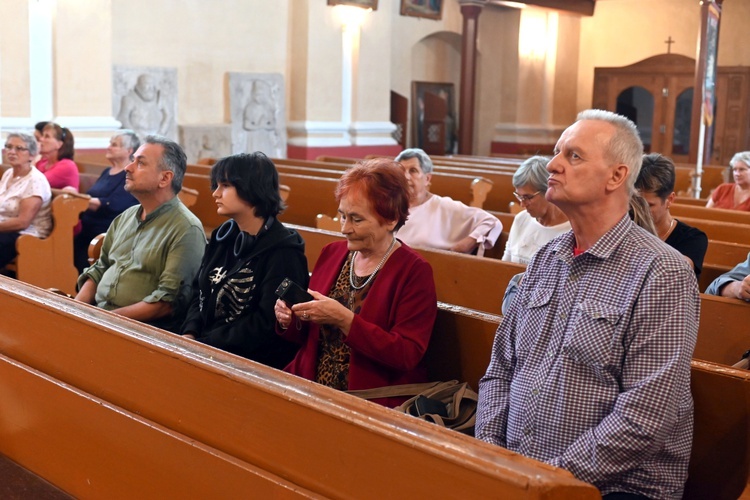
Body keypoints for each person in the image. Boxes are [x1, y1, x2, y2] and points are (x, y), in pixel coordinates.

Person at [477, 109, 699, 499]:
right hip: (519, 474)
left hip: (617, 487)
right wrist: (490, 454)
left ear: (616, 176)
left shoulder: (662, 272)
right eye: (557, 152)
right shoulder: (547, 259)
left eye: (573, 156)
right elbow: (500, 369)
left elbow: (646, 415)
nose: (553, 165)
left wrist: (548, 479)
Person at [273, 158, 437, 407]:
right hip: (309, 383)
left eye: (356, 219)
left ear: (391, 219)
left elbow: (406, 354)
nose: (344, 229)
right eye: (342, 216)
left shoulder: (414, 271)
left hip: (369, 396)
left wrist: (345, 320)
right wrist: (291, 318)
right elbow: (307, 337)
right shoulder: (333, 253)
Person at [180, 153, 308, 368]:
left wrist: (205, 345)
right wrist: (190, 333)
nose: (215, 193)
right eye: (216, 185)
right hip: (206, 348)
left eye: (225, 185)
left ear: (252, 188)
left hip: (252, 362)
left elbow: (266, 324)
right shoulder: (224, 236)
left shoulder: (283, 252)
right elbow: (199, 291)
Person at [75, 136, 206, 332]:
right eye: (132, 160)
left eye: (140, 163)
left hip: (141, 332)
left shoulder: (186, 229)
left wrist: (102, 320)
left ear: (164, 178)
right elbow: (100, 268)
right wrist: (76, 310)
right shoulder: (125, 217)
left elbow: (167, 301)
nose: (128, 168)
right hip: (100, 318)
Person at [394, 148, 502, 255]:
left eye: (413, 171)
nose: (405, 176)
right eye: (401, 171)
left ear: (427, 179)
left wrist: (467, 243)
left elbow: (492, 222)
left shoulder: (443, 206)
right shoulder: (391, 205)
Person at [71, 131, 140, 273]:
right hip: (87, 226)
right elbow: (92, 195)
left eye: (114, 145)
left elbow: (114, 205)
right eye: (110, 143)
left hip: (107, 231)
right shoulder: (107, 171)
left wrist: (80, 199)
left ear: (129, 150)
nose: (108, 147)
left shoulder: (130, 175)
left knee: (78, 251)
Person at [636, 153, 708, 280]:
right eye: (635, 204)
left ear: (669, 199)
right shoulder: (625, 226)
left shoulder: (693, 239)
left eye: (649, 205)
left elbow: (672, 274)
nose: (640, 211)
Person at [502, 155, 570, 264]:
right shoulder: (521, 219)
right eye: (519, 196)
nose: (522, 204)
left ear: (549, 190)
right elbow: (505, 265)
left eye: (528, 197)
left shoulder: (572, 231)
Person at [0, 133, 52, 268]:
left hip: (27, 235)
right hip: (6, 230)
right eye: (9, 147)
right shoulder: (8, 173)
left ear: (32, 155)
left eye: (19, 148)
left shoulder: (35, 180)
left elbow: (22, 222)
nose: (12, 152)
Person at [117, 73, 171, 138]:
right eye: (147, 84)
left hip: (157, 136)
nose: (150, 87)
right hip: (138, 135)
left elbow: (168, 115)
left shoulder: (160, 97)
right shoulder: (129, 98)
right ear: (139, 85)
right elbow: (123, 118)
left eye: (152, 84)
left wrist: (161, 132)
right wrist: (136, 135)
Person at [36, 122, 79, 190]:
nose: (41, 139)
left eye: (47, 136)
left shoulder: (67, 166)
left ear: (59, 144)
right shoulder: (42, 163)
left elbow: (36, 183)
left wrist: (33, 153)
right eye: (42, 136)